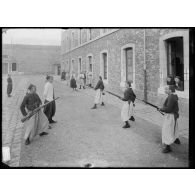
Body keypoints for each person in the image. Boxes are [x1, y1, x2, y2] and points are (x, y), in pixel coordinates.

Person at [158, 85, 180, 153]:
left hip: (170, 116)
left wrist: (161, 109)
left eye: (166, 89)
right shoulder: (173, 95)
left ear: (170, 90)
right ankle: (176, 139)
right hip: (173, 115)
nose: (165, 90)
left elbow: (168, 109)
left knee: (167, 130)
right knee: (174, 128)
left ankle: (168, 147)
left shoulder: (171, 97)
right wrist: (162, 109)